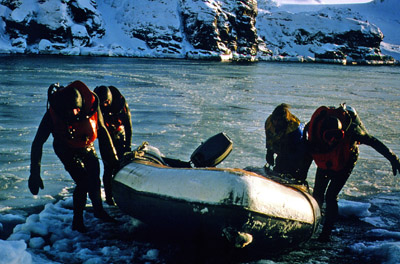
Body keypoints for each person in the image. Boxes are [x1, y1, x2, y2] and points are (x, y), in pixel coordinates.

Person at [28, 80, 119, 233]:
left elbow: (102, 132)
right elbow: (38, 142)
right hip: (65, 148)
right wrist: (34, 173)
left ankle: (98, 210)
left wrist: (113, 161)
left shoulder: (92, 105)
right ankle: (77, 222)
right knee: (83, 183)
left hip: (86, 145)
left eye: (76, 110)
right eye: (70, 111)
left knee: (94, 177)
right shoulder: (53, 113)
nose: (73, 114)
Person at [306, 103, 400, 241]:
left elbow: (374, 142)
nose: (332, 140)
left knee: (331, 196)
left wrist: (394, 159)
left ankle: (326, 233)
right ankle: (311, 225)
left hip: (346, 158)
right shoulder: (314, 129)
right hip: (326, 157)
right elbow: (304, 151)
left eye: (336, 136)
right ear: (322, 133)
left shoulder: (353, 131)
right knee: (318, 194)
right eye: (329, 136)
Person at [93, 85, 132, 205]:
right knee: (108, 167)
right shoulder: (95, 104)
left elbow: (128, 126)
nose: (103, 106)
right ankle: (109, 198)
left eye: (106, 103)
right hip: (104, 137)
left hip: (118, 135)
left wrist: (127, 146)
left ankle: (122, 195)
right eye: (101, 104)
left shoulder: (120, 104)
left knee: (121, 165)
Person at [264, 103, 311, 183]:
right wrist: (269, 152)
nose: (276, 123)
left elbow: (294, 151)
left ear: (284, 120)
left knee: (290, 168)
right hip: (280, 143)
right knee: (279, 167)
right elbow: (269, 139)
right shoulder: (269, 123)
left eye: (279, 121)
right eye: (275, 120)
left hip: (298, 147)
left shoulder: (294, 129)